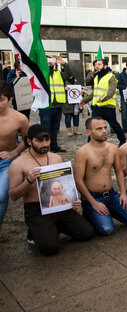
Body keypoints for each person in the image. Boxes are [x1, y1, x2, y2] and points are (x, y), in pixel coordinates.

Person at [8, 124, 94, 254]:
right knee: (50, 248)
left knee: (86, 233)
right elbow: (13, 196)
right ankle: (35, 231)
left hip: (59, 205)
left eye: (47, 140)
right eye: (39, 140)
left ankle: (52, 227)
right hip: (36, 209)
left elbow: (63, 185)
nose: (44, 144)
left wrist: (72, 200)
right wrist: (29, 180)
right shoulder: (18, 164)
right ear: (29, 141)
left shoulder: (56, 158)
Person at [74, 117, 127, 235]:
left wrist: (123, 194)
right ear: (89, 132)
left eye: (105, 127)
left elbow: (119, 172)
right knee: (107, 229)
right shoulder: (83, 152)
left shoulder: (112, 148)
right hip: (94, 197)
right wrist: (93, 202)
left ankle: (108, 211)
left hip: (111, 194)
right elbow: (78, 180)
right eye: (99, 129)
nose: (104, 131)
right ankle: (90, 212)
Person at [0, 81, 29, 229]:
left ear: (10, 99)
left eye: (1, 100)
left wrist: (14, 152)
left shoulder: (20, 119)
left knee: (1, 196)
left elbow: (28, 140)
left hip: (6, 162)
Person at [80, 58, 126, 146]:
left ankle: (122, 140)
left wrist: (103, 99)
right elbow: (95, 92)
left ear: (105, 66)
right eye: (96, 64)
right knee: (93, 126)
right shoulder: (96, 77)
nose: (97, 66)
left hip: (107, 107)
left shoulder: (111, 77)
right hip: (97, 107)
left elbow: (111, 91)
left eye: (99, 64)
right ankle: (90, 143)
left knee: (114, 124)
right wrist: (85, 100)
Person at [41, 56, 72, 152]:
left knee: (54, 128)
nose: (49, 63)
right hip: (46, 105)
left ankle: (53, 146)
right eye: (47, 61)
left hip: (57, 105)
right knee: (46, 128)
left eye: (51, 61)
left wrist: (64, 63)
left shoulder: (58, 74)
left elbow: (70, 75)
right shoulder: (41, 74)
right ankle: (45, 147)